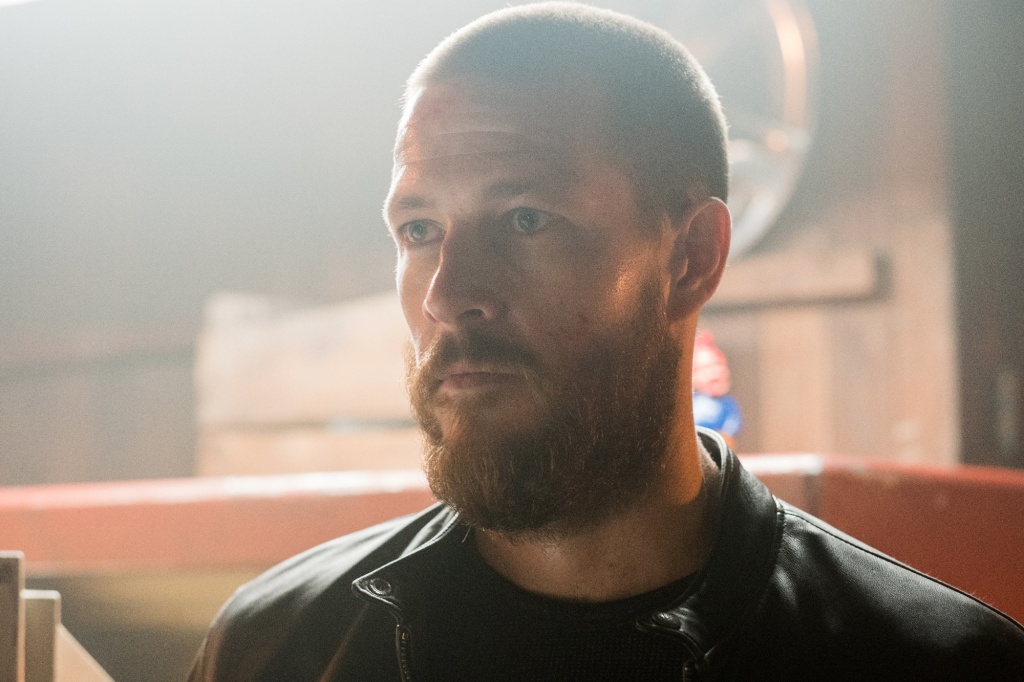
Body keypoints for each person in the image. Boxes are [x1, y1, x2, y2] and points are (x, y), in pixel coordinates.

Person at [188, 4, 1024, 680]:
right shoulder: (276, 650)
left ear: (691, 258)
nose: (448, 295)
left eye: (526, 219)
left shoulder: (936, 665)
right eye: (419, 229)